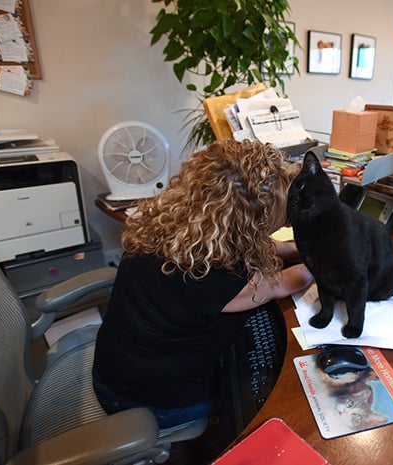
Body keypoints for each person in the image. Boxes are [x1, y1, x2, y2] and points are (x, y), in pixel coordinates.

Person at [92, 139, 314, 429]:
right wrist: (330, 256)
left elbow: (258, 243)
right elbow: (284, 283)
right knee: (270, 394)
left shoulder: (173, 223)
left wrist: (297, 247)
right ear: (244, 223)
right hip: (142, 401)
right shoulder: (214, 278)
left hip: (118, 368)